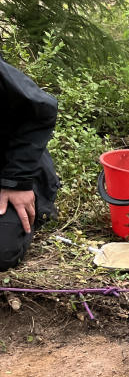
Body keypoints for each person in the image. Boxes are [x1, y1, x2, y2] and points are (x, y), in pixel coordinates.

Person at [1, 56, 60, 270]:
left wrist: (17, 181)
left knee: (2, 251)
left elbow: (41, 109)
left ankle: (37, 201)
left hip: (12, 170)